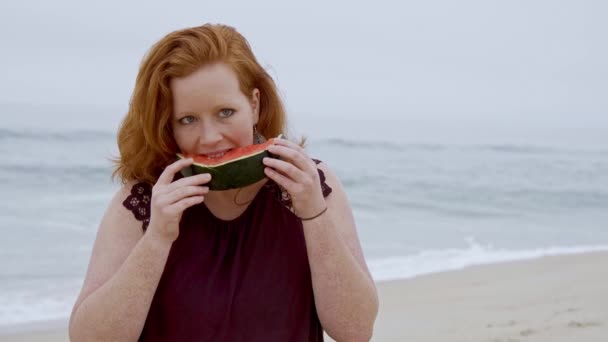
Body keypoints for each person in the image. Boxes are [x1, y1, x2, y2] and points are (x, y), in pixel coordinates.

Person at [68, 23, 378, 342]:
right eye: (187, 120)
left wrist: (314, 214)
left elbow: (355, 331)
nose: (210, 138)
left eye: (226, 112)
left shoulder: (311, 185)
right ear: (167, 126)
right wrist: (157, 238)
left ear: (254, 104)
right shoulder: (144, 202)